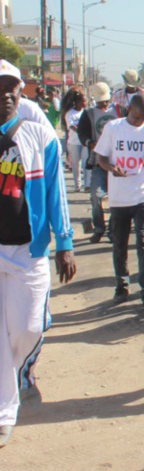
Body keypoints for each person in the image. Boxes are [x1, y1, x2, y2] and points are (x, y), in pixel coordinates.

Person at [0, 60, 76, 449]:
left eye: (12, 88)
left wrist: (64, 243)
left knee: (28, 327)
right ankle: (4, 412)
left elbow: (55, 195)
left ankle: (17, 373)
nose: (7, 95)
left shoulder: (39, 136)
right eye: (0, 89)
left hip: (29, 252)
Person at [94, 94, 144, 312]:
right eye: (138, 117)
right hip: (119, 197)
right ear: (129, 109)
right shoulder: (113, 128)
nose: (142, 121)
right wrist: (113, 169)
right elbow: (100, 158)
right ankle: (122, 286)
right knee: (120, 243)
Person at [77, 82, 121, 243]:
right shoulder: (88, 114)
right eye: (100, 101)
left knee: (117, 199)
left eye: (106, 101)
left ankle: (113, 229)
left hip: (117, 162)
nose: (103, 104)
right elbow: (82, 133)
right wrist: (89, 143)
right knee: (96, 196)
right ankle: (99, 228)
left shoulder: (119, 111)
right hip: (98, 162)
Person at [63, 89, 88, 192]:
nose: (85, 103)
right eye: (83, 101)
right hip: (74, 143)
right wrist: (82, 131)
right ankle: (78, 185)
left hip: (85, 142)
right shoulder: (70, 114)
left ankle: (87, 185)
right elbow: (72, 126)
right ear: (77, 102)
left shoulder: (87, 113)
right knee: (76, 165)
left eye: (86, 101)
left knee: (86, 164)